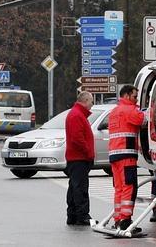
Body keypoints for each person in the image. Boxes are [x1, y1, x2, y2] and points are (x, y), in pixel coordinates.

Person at [109, 85, 146, 232]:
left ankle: (118, 219)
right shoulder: (129, 110)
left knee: (118, 188)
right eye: (135, 96)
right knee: (129, 188)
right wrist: (149, 111)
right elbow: (142, 120)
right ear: (126, 95)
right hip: (127, 155)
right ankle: (126, 220)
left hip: (114, 155)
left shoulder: (114, 111)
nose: (136, 99)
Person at [64, 91, 95, 226]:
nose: (92, 105)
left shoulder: (77, 114)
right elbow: (77, 139)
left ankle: (73, 215)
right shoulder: (77, 115)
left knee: (74, 187)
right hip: (79, 158)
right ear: (85, 100)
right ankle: (82, 216)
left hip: (77, 158)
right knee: (80, 188)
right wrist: (88, 152)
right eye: (91, 101)